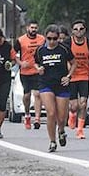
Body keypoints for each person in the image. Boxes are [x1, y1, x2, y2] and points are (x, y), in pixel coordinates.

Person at [35, 24, 75, 152]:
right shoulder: (40, 50)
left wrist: (69, 76)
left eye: (55, 38)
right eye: (49, 38)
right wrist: (38, 68)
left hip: (61, 84)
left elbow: (74, 63)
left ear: (59, 38)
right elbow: (35, 62)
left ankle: (61, 131)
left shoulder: (64, 49)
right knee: (51, 113)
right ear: (45, 37)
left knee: (62, 117)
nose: (52, 41)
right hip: (46, 84)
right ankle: (52, 141)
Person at [66, 19, 89, 139]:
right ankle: (72, 115)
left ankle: (80, 130)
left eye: (81, 29)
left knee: (83, 104)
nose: (79, 31)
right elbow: (63, 56)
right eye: (76, 29)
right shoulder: (68, 42)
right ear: (72, 31)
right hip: (72, 76)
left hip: (84, 75)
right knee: (74, 106)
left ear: (85, 30)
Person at [13, 20, 45, 130]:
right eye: (32, 27)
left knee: (37, 94)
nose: (34, 30)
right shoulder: (21, 40)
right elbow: (13, 54)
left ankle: (37, 119)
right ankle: (27, 115)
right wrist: (21, 63)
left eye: (35, 28)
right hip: (25, 71)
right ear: (27, 28)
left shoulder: (42, 39)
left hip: (37, 71)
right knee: (27, 95)